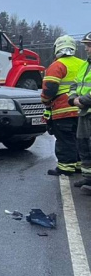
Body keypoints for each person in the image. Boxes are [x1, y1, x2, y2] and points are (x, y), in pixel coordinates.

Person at [41, 35, 84, 176]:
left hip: (63, 109)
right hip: (82, 108)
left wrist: (45, 101)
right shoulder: (83, 64)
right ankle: (79, 164)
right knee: (79, 138)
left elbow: (49, 89)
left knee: (65, 139)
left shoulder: (57, 65)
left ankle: (65, 167)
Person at [69, 32, 91, 193]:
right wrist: (73, 99)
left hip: (87, 108)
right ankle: (88, 178)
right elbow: (74, 84)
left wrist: (82, 100)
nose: (86, 49)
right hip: (84, 113)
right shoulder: (85, 65)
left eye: (89, 45)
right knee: (83, 145)